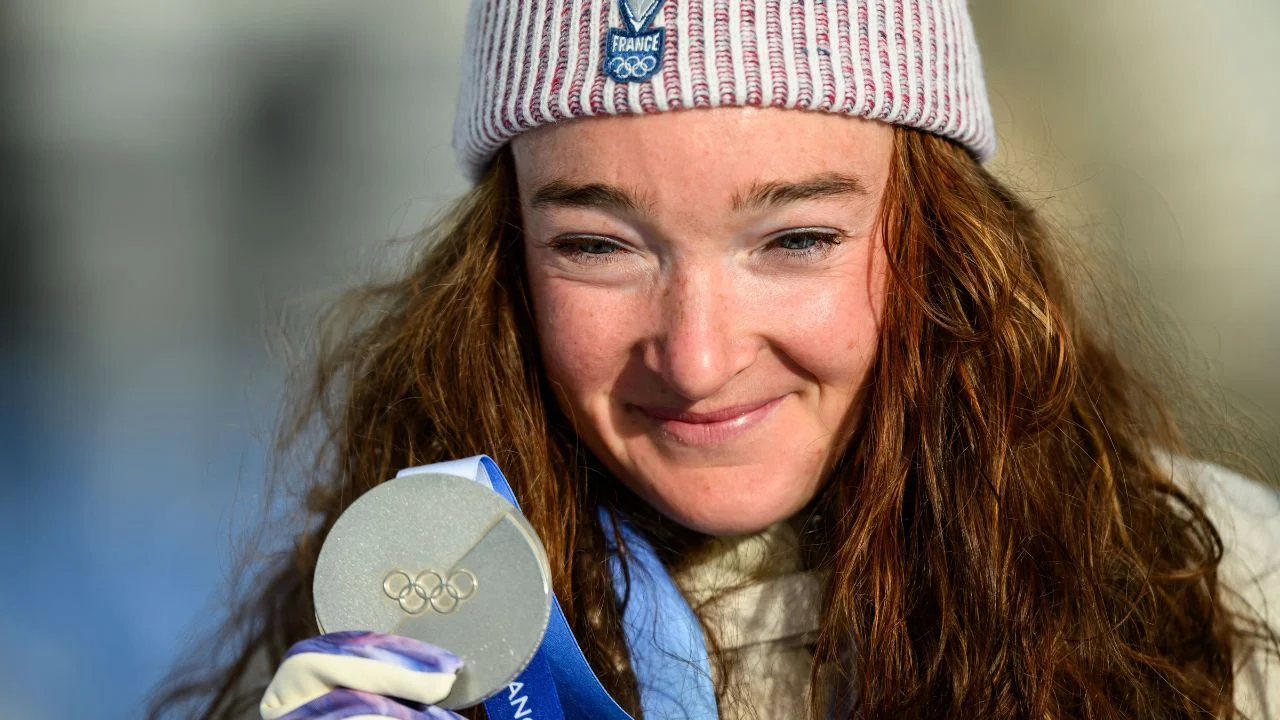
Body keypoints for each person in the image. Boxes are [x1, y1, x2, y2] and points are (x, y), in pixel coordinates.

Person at [149, 1, 1280, 718]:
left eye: (794, 240)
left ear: (943, 242)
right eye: (596, 245)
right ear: (502, 261)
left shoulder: (1221, 606)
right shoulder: (393, 631)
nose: (694, 359)